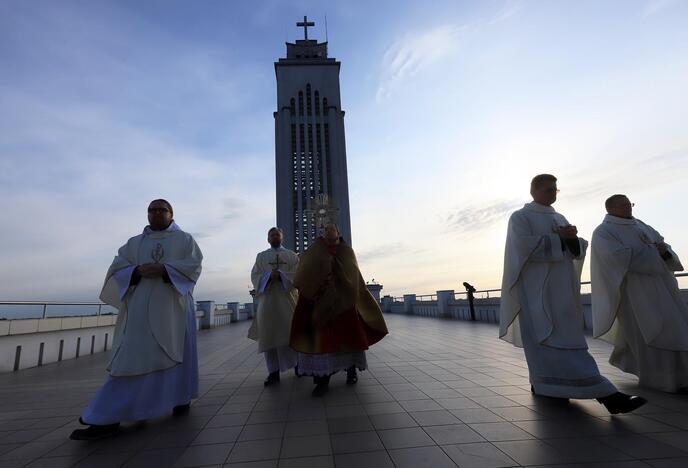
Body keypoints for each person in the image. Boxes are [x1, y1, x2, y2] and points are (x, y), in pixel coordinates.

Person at [499, 175, 646, 414]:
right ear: (533, 191)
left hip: (562, 293)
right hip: (537, 295)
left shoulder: (559, 217)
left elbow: (572, 251)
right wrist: (561, 239)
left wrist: (574, 241)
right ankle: (608, 396)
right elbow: (523, 248)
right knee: (546, 341)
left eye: (555, 189)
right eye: (547, 190)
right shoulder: (520, 217)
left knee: (569, 340)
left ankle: (547, 386)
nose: (552, 194)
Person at [70, 199, 203, 440]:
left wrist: (165, 270)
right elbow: (116, 268)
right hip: (139, 311)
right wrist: (135, 271)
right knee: (131, 359)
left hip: (173, 308)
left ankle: (179, 399)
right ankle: (105, 416)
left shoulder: (185, 240)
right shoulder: (134, 243)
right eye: (151, 210)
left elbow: (193, 266)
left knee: (174, 355)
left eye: (161, 209)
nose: (156, 213)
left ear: (171, 214)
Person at [591, 194, 688, 392]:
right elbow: (614, 258)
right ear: (611, 208)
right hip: (634, 292)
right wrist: (655, 253)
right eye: (624, 205)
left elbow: (662, 245)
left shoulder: (641, 225)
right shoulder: (604, 232)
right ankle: (658, 378)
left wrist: (664, 252)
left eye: (630, 204)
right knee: (649, 330)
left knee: (675, 326)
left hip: (663, 287)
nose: (629, 208)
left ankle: (680, 376)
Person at [290, 223, 388, 396]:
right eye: (325, 229)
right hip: (319, 303)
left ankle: (351, 372)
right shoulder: (314, 250)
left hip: (344, 304)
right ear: (322, 233)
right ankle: (322, 380)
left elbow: (354, 277)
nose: (329, 232)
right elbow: (304, 272)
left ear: (338, 232)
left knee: (349, 339)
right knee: (323, 345)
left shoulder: (347, 251)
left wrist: (341, 278)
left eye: (332, 229)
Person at [248, 227, 300, 386]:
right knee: (268, 336)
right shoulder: (261, 257)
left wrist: (282, 276)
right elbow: (254, 276)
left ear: (282, 237)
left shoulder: (292, 256)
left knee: (291, 334)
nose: (274, 236)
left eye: (277, 234)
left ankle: (298, 366)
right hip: (268, 301)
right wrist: (269, 276)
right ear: (268, 238)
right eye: (272, 234)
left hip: (288, 300)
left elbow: (298, 274)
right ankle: (273, 372)